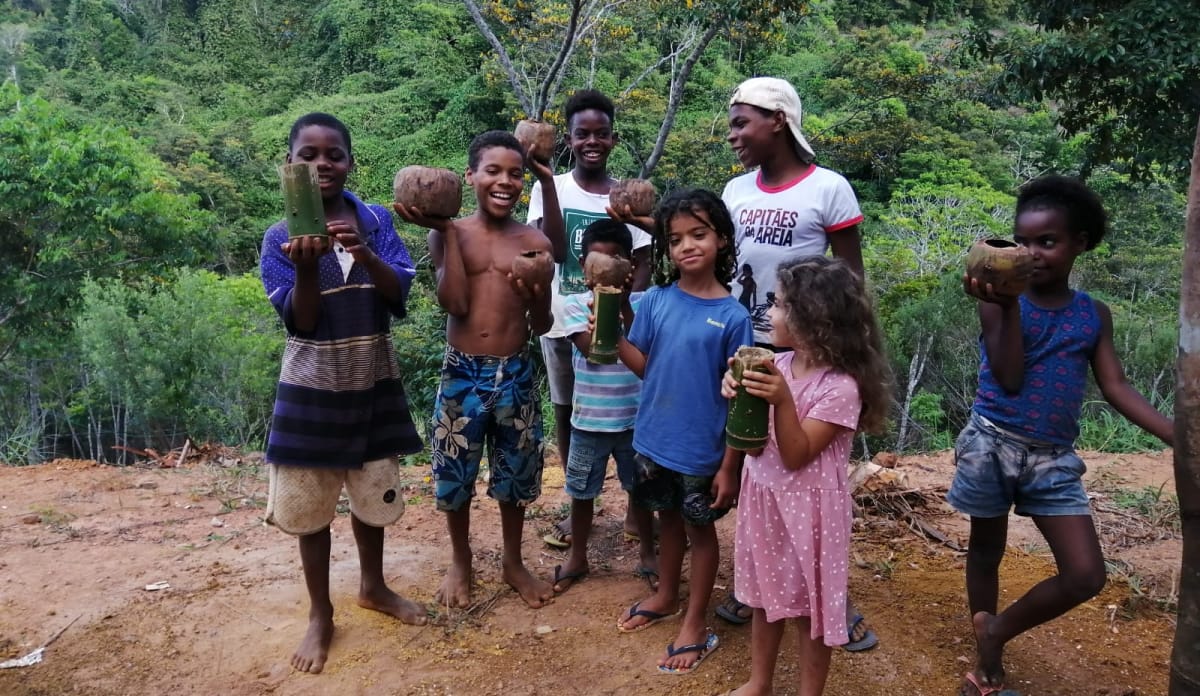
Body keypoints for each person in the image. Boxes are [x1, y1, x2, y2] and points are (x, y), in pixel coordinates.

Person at [952, 175, 1174, 696]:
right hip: (991, 442)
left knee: (1085, 575)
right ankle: (986, 667)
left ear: (1081, 243)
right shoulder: (998, 299)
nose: (1031, 253)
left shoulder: (1092, 314)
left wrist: (1179, 435)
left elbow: (1115, 385)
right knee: (986, 549)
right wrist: (1006, 307)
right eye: (1023, 241)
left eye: (1047, 242)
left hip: (1052, 458)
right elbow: (1009, 377)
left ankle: (996, 630)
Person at [260, 112, 426, 674]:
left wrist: (365, 252)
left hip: (371, 377)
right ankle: (320, 613)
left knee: (370, 492)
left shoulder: (376, 221)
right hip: (310, 388)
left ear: (350, 162)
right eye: (307, 155)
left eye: (333, 154)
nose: (321, 163)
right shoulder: (279, 238)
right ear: (291, 165)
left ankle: (374, 587)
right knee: (310, 507)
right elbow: (301, 322)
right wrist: (308, 270)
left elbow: (399, 296)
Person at [716, 75, 877, 652]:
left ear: (777, 120)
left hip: (814, 357)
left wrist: (852, 357)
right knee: (753, 464)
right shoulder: (735, 192)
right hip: (751, 346)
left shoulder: (829, 189)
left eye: (742, 122)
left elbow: (850, 277)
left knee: (810, 476)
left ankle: (830, 597)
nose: (732, 134)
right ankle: (758, 586)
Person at [395, 130, 561, 609]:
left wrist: (539, 293)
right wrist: (447, 234)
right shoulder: (448, 232)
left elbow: (543, 322)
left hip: (516, 369)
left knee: (515, 471)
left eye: (515, 173)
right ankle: (461, 559)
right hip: (462, 372)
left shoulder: (533, 241)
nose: (505, 181)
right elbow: (455, 302)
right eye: (493, 171)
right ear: (470, 176)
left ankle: (512, 561)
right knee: (454, 473)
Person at [720, 256, 892, 696]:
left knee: (811, 610)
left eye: (779, 305)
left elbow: (797, 455)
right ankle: (759, 682)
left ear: (813, 318)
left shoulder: (840, 388)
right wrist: (738, 395)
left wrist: (780, 402)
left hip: (810, 514)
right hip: (764, 500)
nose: (770, 313)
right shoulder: (776, 365)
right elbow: (753, 444)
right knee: (761, 596)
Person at [611, 188, 752, 675]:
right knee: (666, 520)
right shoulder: (655, 300)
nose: (687, 246)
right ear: (666, 250)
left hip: (700, 452)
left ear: (721, 240)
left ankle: (694, 621)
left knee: (700, 531)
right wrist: (604, 340)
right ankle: (667, 594)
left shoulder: (734, 317)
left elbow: (742, 399)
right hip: (652, 440)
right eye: (675, 239)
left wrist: (729, 466)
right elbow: (645, 367)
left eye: (699, 234)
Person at [526, 89, 654, 551]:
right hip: (565, 315)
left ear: (613, 138)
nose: (592, 141)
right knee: (570, 409)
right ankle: (580, 498)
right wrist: (542, 181)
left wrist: (628, 312)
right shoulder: (552, 187)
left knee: (628, 413)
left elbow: (642, 259)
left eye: (601, 133)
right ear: (569, 139)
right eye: (583, 134)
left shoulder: (625, 196)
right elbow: (552, 252)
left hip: (620, 321)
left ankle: (636, 514)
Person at [550, 218, 656, 594]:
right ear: (584, 265)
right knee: (581, 493)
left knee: (641, 492)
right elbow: (596, 351)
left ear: (631, 265)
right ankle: (578, 556)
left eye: (617, 259)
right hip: (589, 421)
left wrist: (624, 304)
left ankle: (648, 554)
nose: (609, 266)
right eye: (600, 259)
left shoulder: (644, 304)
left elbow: (643, 347)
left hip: (635, 421)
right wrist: (608, 307)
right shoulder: (574, 305)